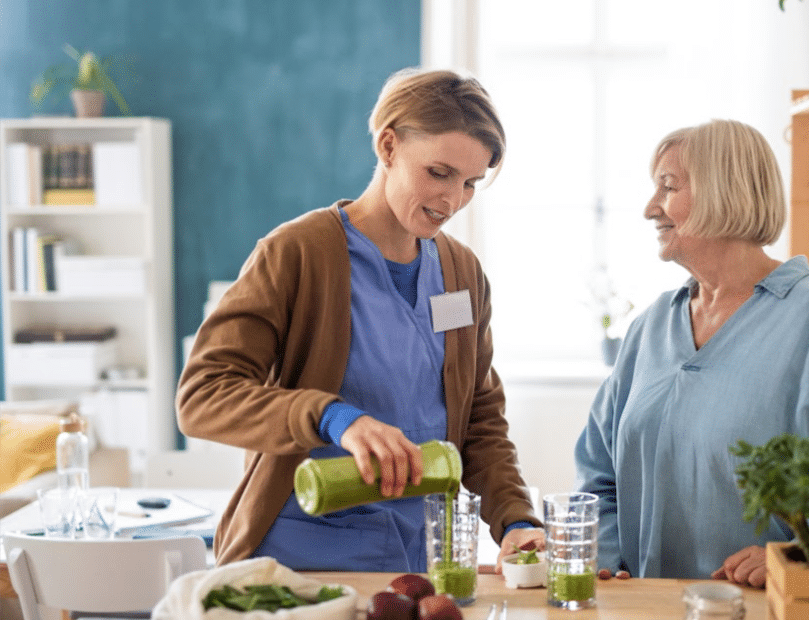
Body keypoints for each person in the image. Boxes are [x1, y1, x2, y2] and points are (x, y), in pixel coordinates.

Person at [177, 68, 543, 572]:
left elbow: (479, 418)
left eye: (470, 183)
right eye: (438, 173)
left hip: (417, 563)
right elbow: (202, 396)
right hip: (297, 562)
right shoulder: (298, 253)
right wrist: (332, 417)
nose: (452, 200)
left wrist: (515, 517)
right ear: (388, 146)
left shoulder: (461, 273)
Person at [573, 119, 809, 587]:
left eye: (669, 187)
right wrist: (608, 559)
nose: (650, 209)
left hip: (766, 607)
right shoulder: (652, 326)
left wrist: (799, 555)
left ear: (725, 191)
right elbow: (598, 476)